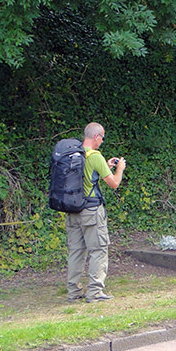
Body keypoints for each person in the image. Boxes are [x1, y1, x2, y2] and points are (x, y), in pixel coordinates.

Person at [65, 122, 126, 302]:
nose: (102, 142)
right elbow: (114, 183)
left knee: (76, 251)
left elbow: (86, 176)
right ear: (96, 137)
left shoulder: (74, 154)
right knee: (98, 250)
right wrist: (119, 169)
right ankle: (95, 292)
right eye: (102, 138)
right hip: (91, 211)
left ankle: (73, 292)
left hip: (72, 211)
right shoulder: (95, 156)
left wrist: (105, 165)